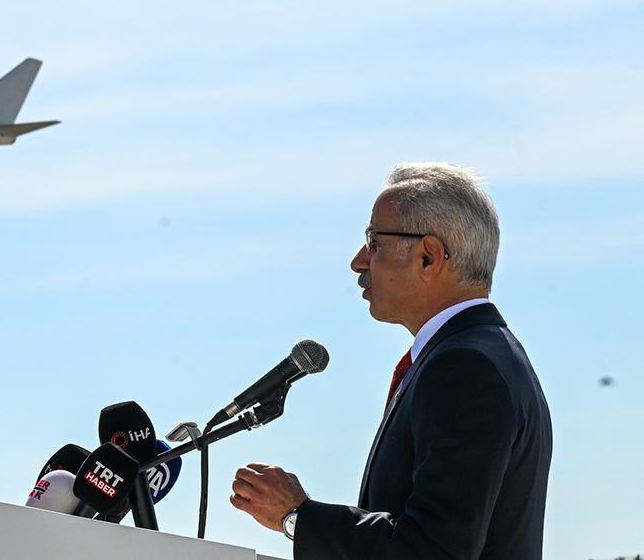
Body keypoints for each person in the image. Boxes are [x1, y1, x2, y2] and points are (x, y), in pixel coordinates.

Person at [230, 162, 552, 559]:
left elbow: (433, 550)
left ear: (429, 257)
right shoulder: (482, 354)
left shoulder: (466, 366)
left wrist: (298, 516)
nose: (359, 261)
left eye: (374, 242)